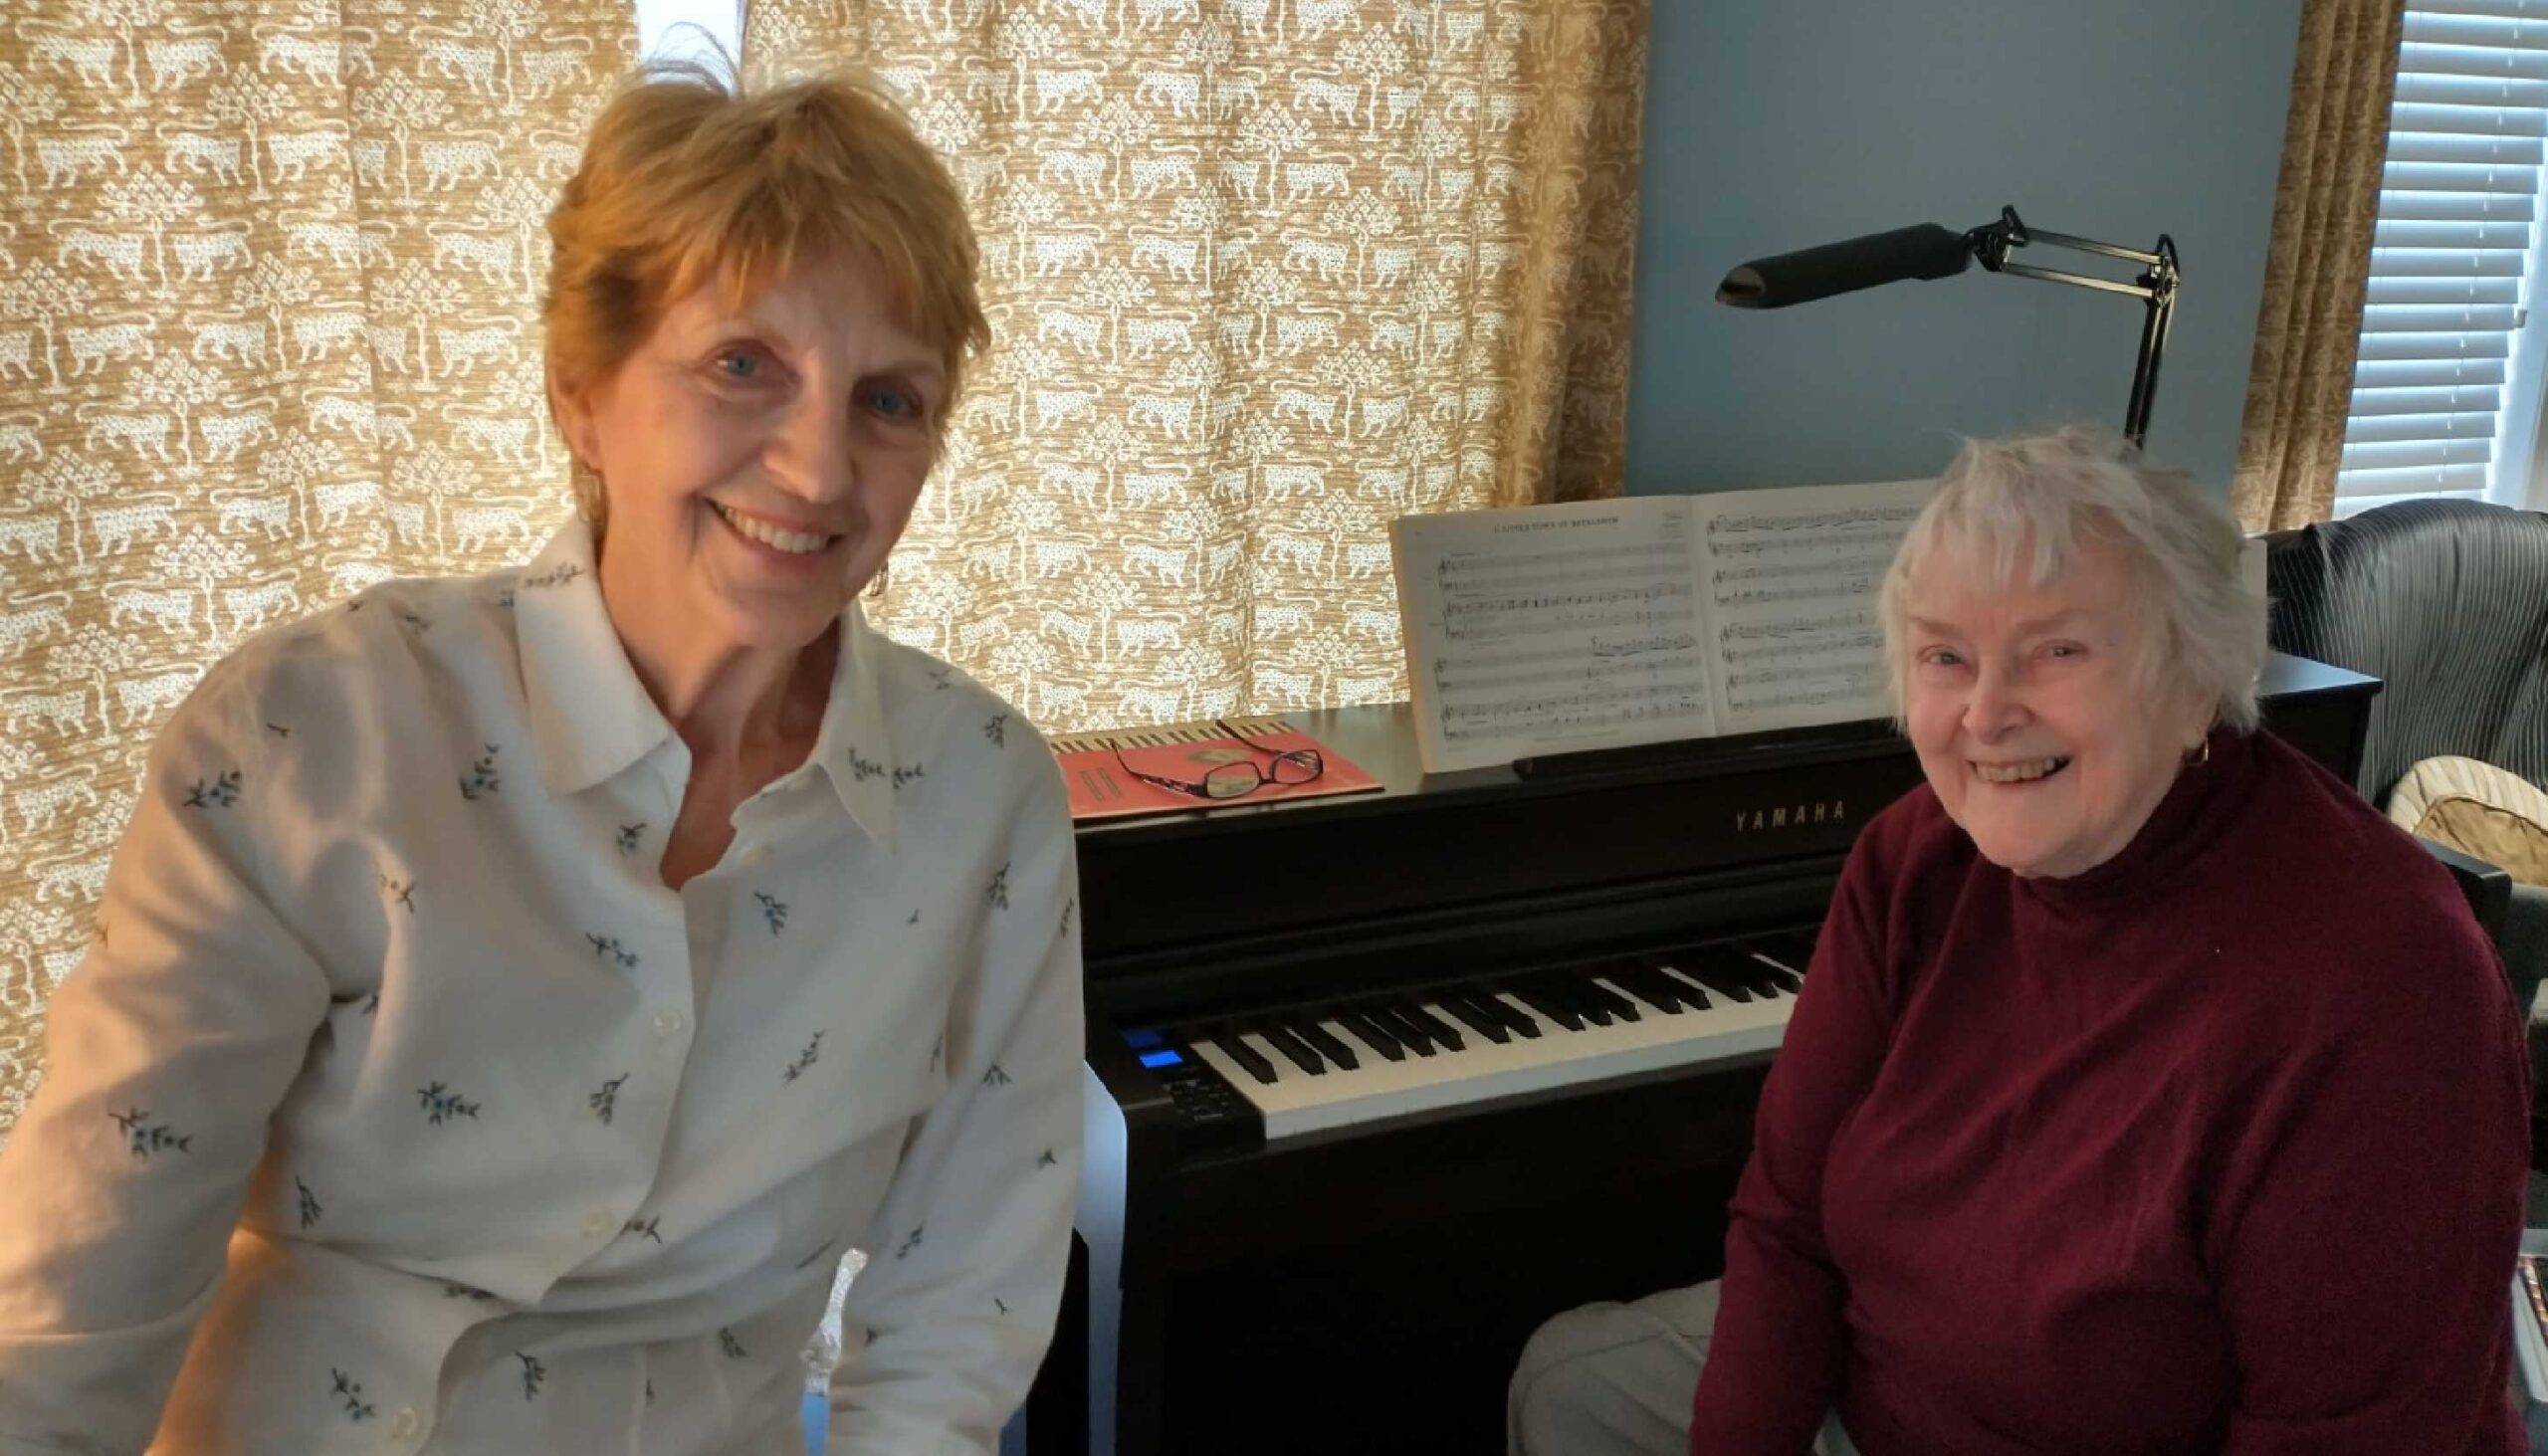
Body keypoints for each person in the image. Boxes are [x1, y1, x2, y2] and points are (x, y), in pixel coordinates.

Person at [0, 62, 1081, 1456]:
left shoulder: (982, 792)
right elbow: (86, 1276)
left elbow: (963, 1294)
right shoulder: (313, 733)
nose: (818, 470)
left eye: (889, 400)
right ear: (582, 393)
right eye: (743, 365)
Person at [1507, 425, 2531, 1456]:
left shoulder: (2387, 980)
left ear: (2193, 675)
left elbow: (2349, 1434)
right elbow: (1786, 1217)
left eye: (2057, 650)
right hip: (1885, 1387)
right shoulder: (1916, 857)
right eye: (1945, 655)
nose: (1984, 714)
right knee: (1571, 1382)